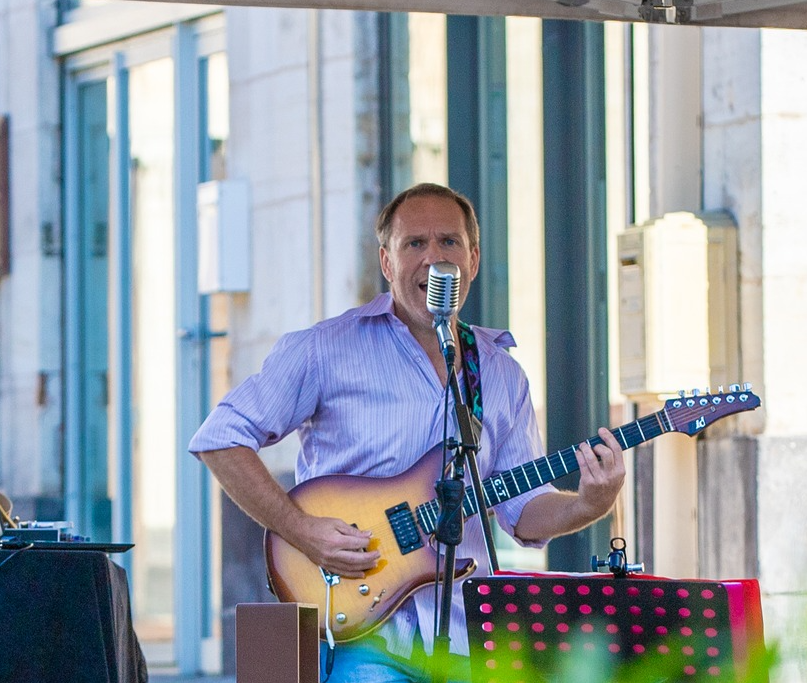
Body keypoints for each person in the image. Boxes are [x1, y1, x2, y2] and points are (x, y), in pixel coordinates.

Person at [188, 182, 627, 682]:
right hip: (358, 631)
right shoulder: (323, 349)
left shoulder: (501, 373)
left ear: (474, 259)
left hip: (467, 637)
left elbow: (521, 513)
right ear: (386, 262)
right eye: (414, 244)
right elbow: (220, 438)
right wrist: (302, 530)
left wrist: (589, 505)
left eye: (449, 242)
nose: (434, 257)